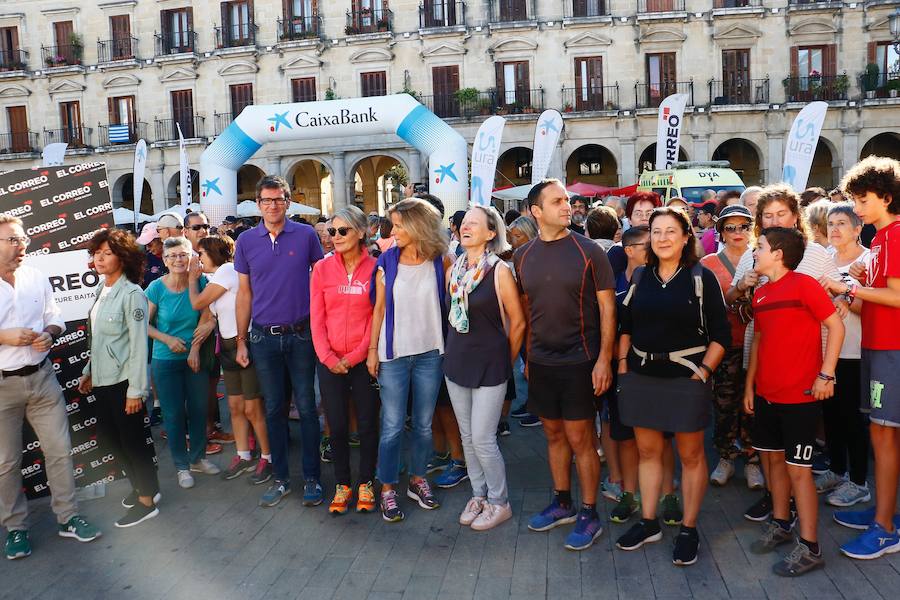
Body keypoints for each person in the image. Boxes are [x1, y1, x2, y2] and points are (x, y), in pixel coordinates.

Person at [615, 207, 730, 566]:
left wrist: (702, 374)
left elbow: (721, 335)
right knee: (648, 452)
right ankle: (649, 522)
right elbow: (626, 326)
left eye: (670, 231)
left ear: (685, 238)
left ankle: (689, 528)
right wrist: (623, 367)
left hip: (686, 379)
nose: (663, 238)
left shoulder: (701, 277)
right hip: (642, 377)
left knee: (691, 455)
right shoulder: (641, 277)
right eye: (656, 231)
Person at [725, 184, 843, 522]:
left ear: (796, 217)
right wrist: (743, 285)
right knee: (769, 445)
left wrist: (826, 370)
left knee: (795, 452)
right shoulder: (753, 254)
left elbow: (839, 296)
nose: (774, 219)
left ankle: (797, 511)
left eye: (781, 213)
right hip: (763, 356)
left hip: (806, 362)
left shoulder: (814, 254)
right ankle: (776, 501)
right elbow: (732, 299)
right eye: (767, 215)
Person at [515, 179, 616, 551]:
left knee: (581, 439)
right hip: (541, 362)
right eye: (557, 201)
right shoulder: (523, 256)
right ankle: (562, 503)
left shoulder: (590, 250)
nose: (567, 206)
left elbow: (608, 308)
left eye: (567, 200)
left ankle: (589, 512)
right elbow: (527, 310)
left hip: (581, 362)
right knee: (553, 436)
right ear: (536, 212)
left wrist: (604, 359)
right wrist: (527, 357)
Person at [744, 227, 844, 577]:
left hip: (800, 397)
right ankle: (782, 523)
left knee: (799, 472)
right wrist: (749, 387)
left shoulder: (804, 285)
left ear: (778, 254)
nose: (754, 252)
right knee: (772, 463)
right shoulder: (761, 293)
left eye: (759, 247)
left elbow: (836, 325)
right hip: (767, 395)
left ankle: (811, 546)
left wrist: (826, 374)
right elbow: (758, 340)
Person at [0, 216, 101, 559]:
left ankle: (68, 517)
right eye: (12, 240)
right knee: (7, 463)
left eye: (22, 238)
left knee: (60, 451)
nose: (21, 244)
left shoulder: (35, 275)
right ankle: (15, 529)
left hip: (43, 378)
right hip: (2, 387)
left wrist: (50, 333)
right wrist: (4, 336)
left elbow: (55, 315)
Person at [822, 156, 900, 559]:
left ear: (886, 198)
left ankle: (885, 527)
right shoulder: (883, 237)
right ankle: (883, 513)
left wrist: (845, 287)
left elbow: (897, 296)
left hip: (891, 349)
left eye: (862, 199)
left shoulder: (895, 235)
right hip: (878, 345)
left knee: (883, 435)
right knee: (881, 435)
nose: (855, 207)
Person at [235, 175, 325, 508]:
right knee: (273, 410)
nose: (273, 205)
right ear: (257, 204)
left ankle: (313, 478)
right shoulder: (245, 241)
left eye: (279, 199)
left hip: (302, 335)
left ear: (288, 201)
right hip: (263, 338)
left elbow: (321, 282)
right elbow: (244, 294)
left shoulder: (305, 235)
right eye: (266, 200)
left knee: (306, 408)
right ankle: (282, 479)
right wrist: (241, 340)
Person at [368, 198, 450, 522]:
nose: (393, 230)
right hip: (394, 355)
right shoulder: (386, 262)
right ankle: (387, 488)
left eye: (399, 225)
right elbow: (378, 310)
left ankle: (418, 479)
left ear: (418, 226)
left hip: (431, 352)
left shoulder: (440, 260)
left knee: (424, 425)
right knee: (391, 427)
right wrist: (373, 350)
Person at [444, 206, 525, 531]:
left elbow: (518, 322)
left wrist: (507, 360)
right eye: (464, 223)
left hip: (491, 363)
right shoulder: (454, 269)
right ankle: (478, 495)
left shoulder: (499, 271)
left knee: (483, 437)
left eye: (474, 224)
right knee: (467, 436)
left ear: (491, 233)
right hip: (457, 360)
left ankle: (499, 501)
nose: (466, 227)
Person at [79, 228, 160, 527]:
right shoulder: (103, 290)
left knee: (133, 442)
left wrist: (136, 390)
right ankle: (144, 487)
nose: (99, 258)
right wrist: (89, 371)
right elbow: (99, 340)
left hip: (124, 383)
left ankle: (147, 500)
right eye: (97, 253)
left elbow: (139, 345)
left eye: (107, 253)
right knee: (111, 440)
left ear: (123, 258)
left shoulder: (132, 294)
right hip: (103, 380)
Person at [310, 206, 379, 515]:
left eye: (342, 231)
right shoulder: (322, 270)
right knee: (335, 426)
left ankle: (366, 481)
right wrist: (327, 356)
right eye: (332, 232)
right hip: (329, 363)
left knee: (367, 425)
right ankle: (342, 483)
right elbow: (317, 317)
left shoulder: (376, 268)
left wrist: (354, 357)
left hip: (363, 363)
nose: (334, 237)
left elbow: (376, 319)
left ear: (361, 232)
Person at [188, 235, 272, 485]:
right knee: (235, 407)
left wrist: (193, 281)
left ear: (213, 253)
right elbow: (209, 315)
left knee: (252, 408)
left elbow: (197, 303)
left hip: (242, 343)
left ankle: (268, 457)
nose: (198, 260)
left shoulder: (227, 270)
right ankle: (244, 455)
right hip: (226, 346)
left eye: (200, 253)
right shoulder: (217, 279)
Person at [147, 237, 220, 487]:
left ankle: (197, 459)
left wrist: (195, 349)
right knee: (174, 413)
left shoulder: (201, 282)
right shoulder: (156, 288)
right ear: (165, 260)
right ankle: (181, 466)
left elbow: (207, 317)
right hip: (165, 360)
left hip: (194, 358)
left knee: (199, 409)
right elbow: (142, 324)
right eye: (173, 256)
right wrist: (167, 339)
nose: (179, 260)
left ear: (192, 257)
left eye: (183, 254)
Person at [701, 205, 764, 490]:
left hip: (760, 345)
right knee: (724, 404)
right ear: (721, 232)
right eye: (731, 227)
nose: (738, 233)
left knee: (753, 406)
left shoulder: (764, 257)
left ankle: (752, 460)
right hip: (725, 345)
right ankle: (726, 456)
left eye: (743, 227)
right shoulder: (709, 264)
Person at [813, 203, 870, 507]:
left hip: (855, 351)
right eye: (831, 223)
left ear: (858, 228)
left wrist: (845, 293)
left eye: (842, 224)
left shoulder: (869, 260)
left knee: (852, 419)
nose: (834, 229)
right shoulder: (826, 260)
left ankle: (859, 481)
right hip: (827, 352)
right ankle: (836, 469)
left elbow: (871, 308)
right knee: (831, 415)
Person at [605, 225, 650, 524]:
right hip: (619, 367)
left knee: (656, 434)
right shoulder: (613, 283)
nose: (655, 246)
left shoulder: (661, 281)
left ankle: (662, 491)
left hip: (654, 369)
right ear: (629, 250)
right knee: (620, 430)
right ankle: (625, 487)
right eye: (647, 244)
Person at [184, 211, 231, 450]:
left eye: (205, 225)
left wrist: (211, 321)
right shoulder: (184, 259)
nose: (202, 230)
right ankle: (198, 437)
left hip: (213, 333)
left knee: (211, 385)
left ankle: (211, 429)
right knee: (196, 388)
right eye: (196, 227)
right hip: (190, 335)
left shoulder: (212, 260)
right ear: (185, 232)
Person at [505, 216, 540, 428]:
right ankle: (531, 403)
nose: (514, 241)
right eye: (512, 237)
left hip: (534, 318)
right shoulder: (516, 256)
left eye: (518, 236)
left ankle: (537, 408)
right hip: (522, 317)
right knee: (527, 362)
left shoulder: (533, 257)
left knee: (532, 362)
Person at [608, 192, 662, 276]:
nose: (644, 218)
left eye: (649, 213)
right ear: (629, 219)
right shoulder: (617, 252)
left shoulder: (665, 247)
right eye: (638, 214)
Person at [136, 222, 165, 288]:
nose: (148, 248)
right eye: (145, 245)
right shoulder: (146, 259)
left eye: (149, 244)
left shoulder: (173, 258)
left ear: (160, 240)